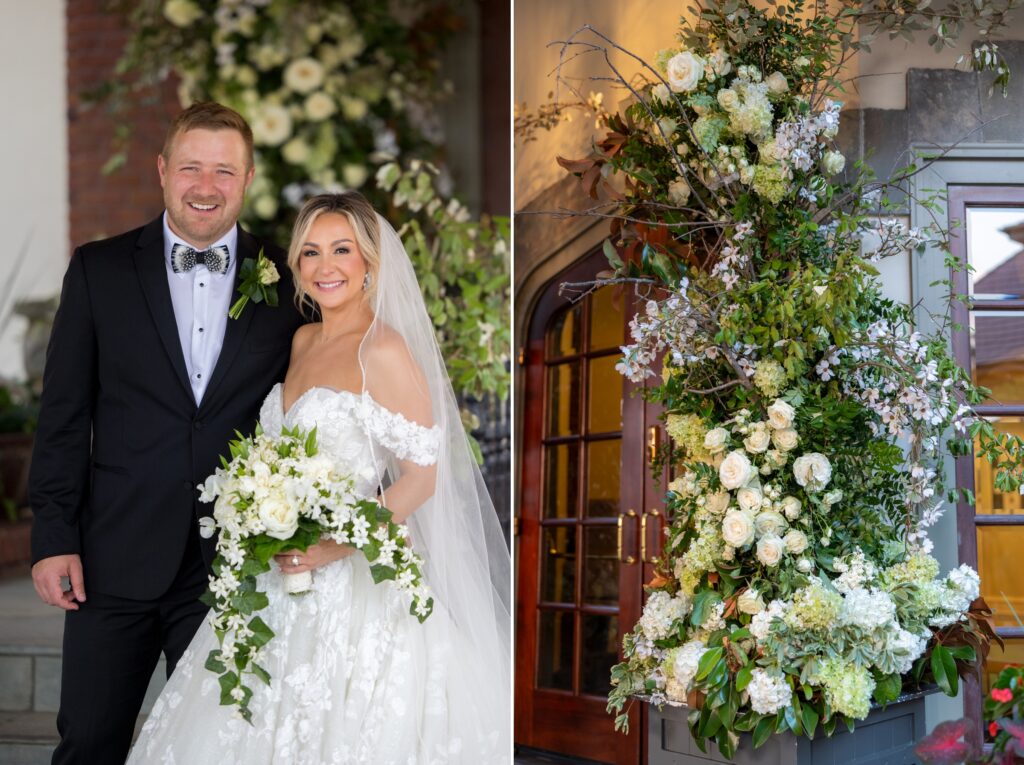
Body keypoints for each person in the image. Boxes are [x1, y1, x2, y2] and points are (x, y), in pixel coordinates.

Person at [126, 192, 511, 764]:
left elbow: (423, 477)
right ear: (297, 267)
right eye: (309, 252)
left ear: (370, 264)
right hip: (276, 577)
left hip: (352, 581)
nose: (325, 266)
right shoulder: (303, 340)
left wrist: (333, 545)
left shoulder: (382, 349)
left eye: (341, 250)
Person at [29, 102, 304, 764]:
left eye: (223, 170)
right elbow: (64, 414)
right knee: (90, 739)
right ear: (161, 170)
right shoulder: (99, 270)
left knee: (218, 748)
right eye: (190, 168)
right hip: (111, 557)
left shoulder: (292, 275)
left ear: (248, 176)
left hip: (233, 564)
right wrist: (53, 536)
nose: (205, 187)